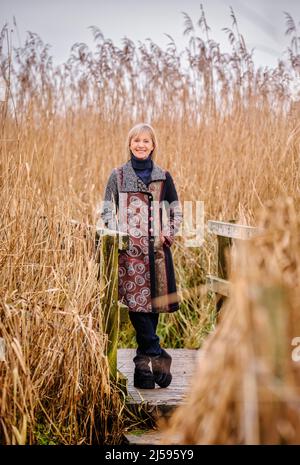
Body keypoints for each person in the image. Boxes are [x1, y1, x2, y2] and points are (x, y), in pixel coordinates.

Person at [100, 123, 182, 389]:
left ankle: (142, 369)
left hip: (156, 254)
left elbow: (176, 212)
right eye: (137, 141)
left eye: (146, 141)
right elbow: (106, 210)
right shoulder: (118, 175)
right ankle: (157, 355)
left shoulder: (163, 177)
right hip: (130, 256)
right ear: (130, 144)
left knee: (153, 306)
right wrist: (117, 236)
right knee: (137, 307)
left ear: (153, 145)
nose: (141, 145)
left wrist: (167, 235)